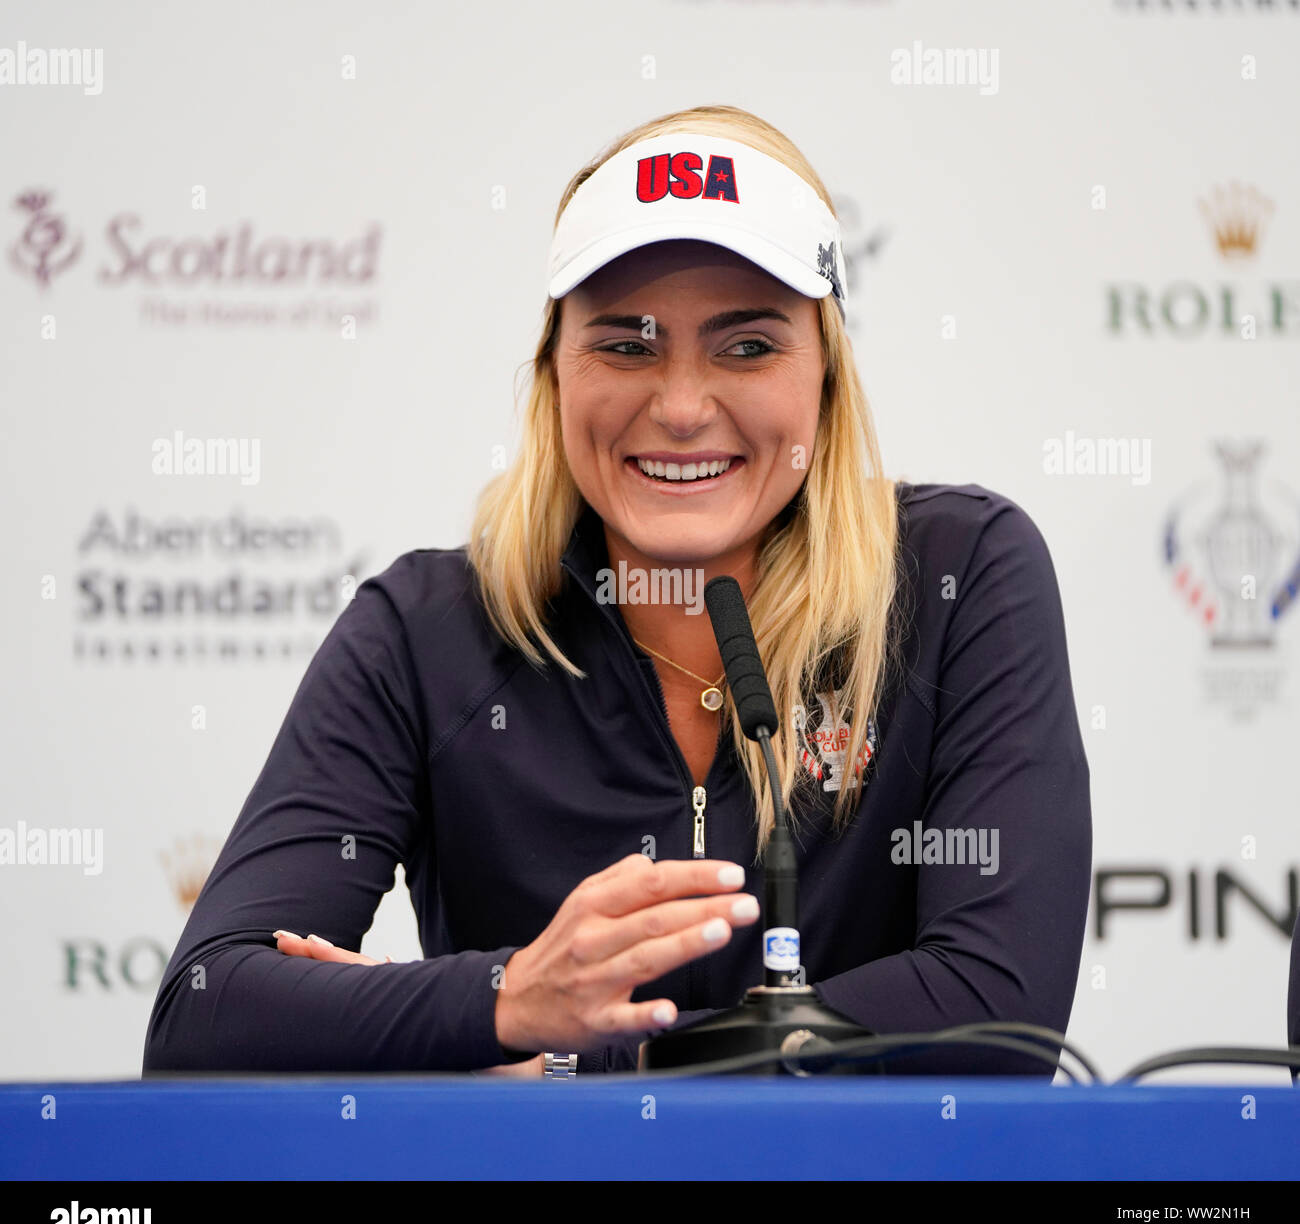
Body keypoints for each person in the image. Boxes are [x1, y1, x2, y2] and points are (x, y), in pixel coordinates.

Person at [142, 104, 1091, 1079]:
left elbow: (995, 1013)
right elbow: (205, 1017)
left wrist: (562, 1060)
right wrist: (509, 994)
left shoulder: (954, 577)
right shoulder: (426, 631)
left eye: (747, 345)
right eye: (626, 345)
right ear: (555, 373)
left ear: (826, 378)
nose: (680, 407)